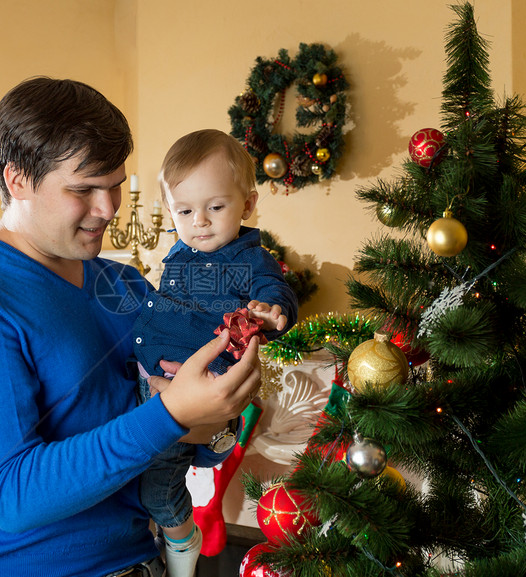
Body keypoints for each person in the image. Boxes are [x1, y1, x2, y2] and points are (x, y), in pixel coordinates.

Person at [0, 78, 262, 577]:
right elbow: (11, 497)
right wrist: (173, 413)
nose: (108, 208)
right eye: (83, 189)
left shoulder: (127, 285)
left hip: (139, 560)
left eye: (115, 184)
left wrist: (218, 417)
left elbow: (182, 445)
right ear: (18, 181)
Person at [133, 129, 298, 577]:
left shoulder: (250, 259)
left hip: (198, 387)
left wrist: (271, 310)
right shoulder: (181, 253)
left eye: (216, 207)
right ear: (171, 211)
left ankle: (182, 538)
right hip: (149, 374)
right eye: (185, 210)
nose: (200, 221)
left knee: (159, 484)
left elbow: (274, 289)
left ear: (247, 204)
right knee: (133, 469)